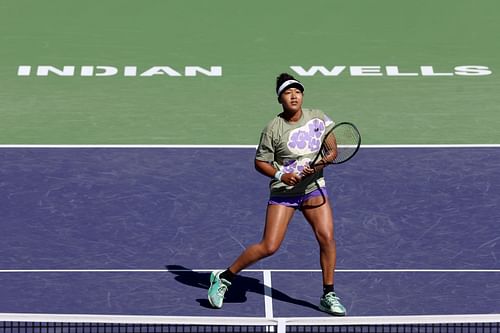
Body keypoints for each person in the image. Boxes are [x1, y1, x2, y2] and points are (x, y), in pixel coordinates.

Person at [207, 73, 346, 316]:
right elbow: (260, 162)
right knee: (269, 246)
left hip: (314, 188)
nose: (294, 96)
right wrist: (282, 175)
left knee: (327, 237)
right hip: (285, 193)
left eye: (298, 91)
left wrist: (319, 164)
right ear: (280, 98)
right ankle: (224, 277)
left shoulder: (318, 118)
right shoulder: (273, 128)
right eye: (288, 92)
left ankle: (328, 293)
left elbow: (332, 151)